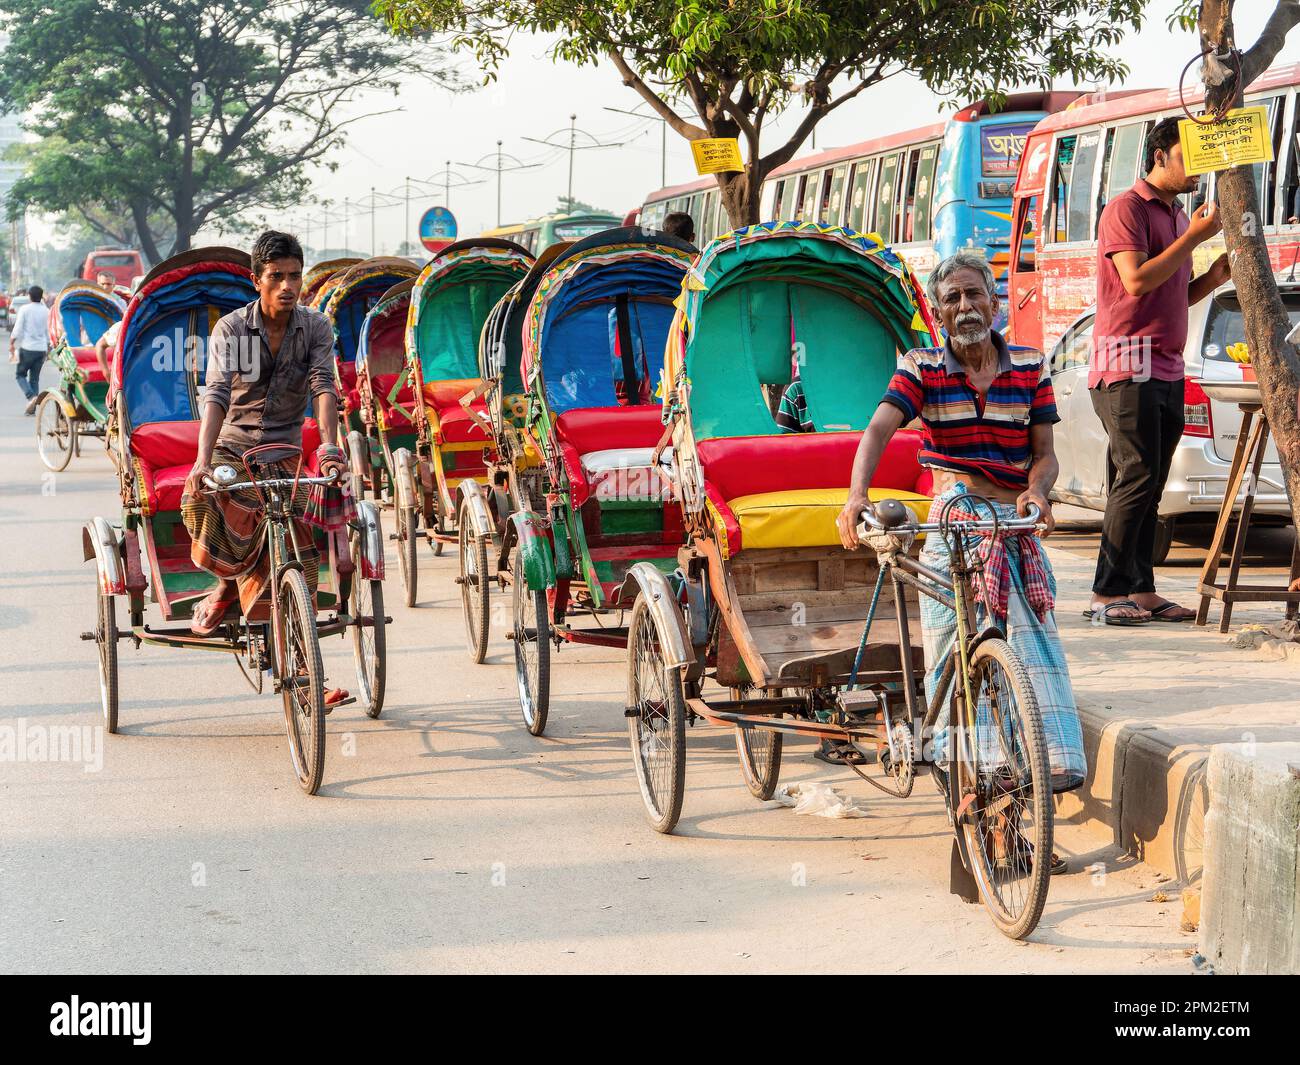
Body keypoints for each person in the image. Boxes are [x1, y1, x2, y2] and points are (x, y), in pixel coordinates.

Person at [836, 250, 1085, 869]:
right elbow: (878, 431)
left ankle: (1021, 806)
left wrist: (1038, 490)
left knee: (1027, 667)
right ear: (939, 312)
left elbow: (1045, 453)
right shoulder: (921, 366)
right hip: (954, 520)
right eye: (952, 300)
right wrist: (856, 497)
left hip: (1015, 519)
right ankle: (973, 806)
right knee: (956, 673)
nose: (966, 308)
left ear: (995, 302)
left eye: (975, 295)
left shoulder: (1029, 366)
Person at [180, 231, 350, 693]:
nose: (287, 286)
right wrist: (201, 462)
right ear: (257, 280)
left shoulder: (315, 327)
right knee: (203, 498)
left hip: (285, 452)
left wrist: (330, 448)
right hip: (233, 448)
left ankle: (306, 673)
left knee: (296, 545)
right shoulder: (232, 329)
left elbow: (323, 386)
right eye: (276, 277)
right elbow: (215, 392)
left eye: (295, 276)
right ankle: (227, 583)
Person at [1087, 117, 1231, 625]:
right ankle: (1106, 593)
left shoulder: (1174, 216)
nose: (1197, 170)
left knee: (1152, 479)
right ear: (1159, 155)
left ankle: (1142, 589)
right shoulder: (1126, 209)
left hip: (1166, 364)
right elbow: (1137, 280)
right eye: (1187, 157)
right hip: (1127, 362)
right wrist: (1194, 238)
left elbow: (1174, 292)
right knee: (1137, 474)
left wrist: (1212, 277)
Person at [9, 285, 50, 414]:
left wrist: (11, 343)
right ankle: (32, 409)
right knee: (34, 378)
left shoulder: (25, 309)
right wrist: (48, 348)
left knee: (20, 375)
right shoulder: (46, 311)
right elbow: (48, 332)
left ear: (29, 296)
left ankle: (31, 397)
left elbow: (17, 329)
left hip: (27, 348)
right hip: (41, 349)